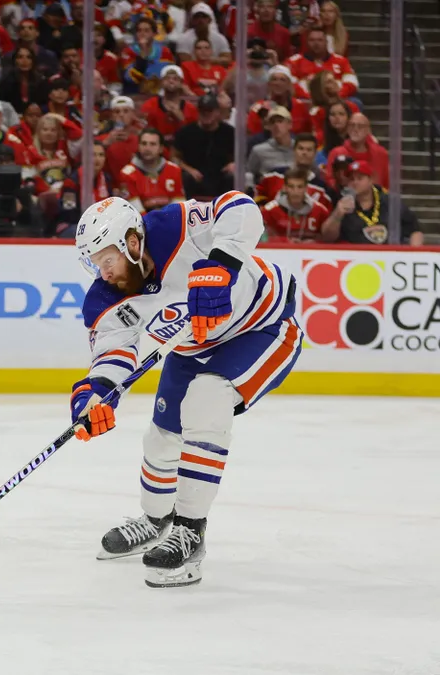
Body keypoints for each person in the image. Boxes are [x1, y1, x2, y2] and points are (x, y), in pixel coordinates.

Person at [71, 193, 301, 588]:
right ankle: (156, 520)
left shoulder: (174, 226)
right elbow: (114, 350)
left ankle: (190, 532)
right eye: (95, 263)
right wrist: (96, 393)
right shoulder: (106, 297)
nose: (102, 273)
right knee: (160, 440)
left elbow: (242, 208)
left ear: (131, 241)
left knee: (206, 401)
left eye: (105, 259)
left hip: (263, 327)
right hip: (193, 345)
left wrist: (222, 265)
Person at [320, 161, 423, 246]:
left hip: (390, 257)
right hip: (356, 260)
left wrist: (414, 253)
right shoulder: (341, 202)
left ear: (371, 180)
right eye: (351, 179)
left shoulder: (390, 201)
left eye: (360, 178)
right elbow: (327, 238)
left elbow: (415, 230)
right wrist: (337, 214)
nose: (355, 182)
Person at [172, 93, 235, 198]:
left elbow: (241, 156)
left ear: (218, 112)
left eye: (209, 111)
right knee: (185, 176)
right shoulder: (185, 132)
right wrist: (188, 169)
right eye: (202, 111)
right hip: (194, 178)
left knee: (232, 176)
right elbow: (174, 157)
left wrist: (234, 164)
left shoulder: (229, 132)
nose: (206, 114)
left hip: (220, 177)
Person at [119, 129, 186, 213]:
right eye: (144, 144)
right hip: (142, 222)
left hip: (169, 221)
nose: (147, 148)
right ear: (138, 147)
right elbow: (135, 211)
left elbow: (179, 207)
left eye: (152, 144)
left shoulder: (174, 170)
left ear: (161, 148)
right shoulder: (127, 173)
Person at [259, 167, 330, 243]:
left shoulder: (320, 211)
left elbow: (329, 239)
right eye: (291, 186)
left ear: (306, 188)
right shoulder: (269, 211)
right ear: (285, 188)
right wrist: (285, 241)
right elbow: (260, 237)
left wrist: (314, 242)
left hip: (310, 253)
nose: (295, 191)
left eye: (300, 187)